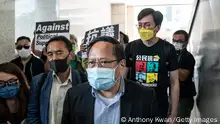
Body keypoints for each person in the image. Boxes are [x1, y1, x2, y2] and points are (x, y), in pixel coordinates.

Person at [61, 36, 159, 124]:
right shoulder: (74, 96)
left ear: (122, 65)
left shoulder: (145, 96)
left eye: (103, 61)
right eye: (91, 62)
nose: (96, 67)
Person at [123, 8, 179, 122]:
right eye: (140, 25)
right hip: (134, 103)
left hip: (159, 104)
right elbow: (122, 77)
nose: (143, 29)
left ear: (157, 28)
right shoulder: (130, 47)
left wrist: (174, 112)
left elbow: (174, 82)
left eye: (147, 25)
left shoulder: (168, 48)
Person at [27, 36, 84, 124]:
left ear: (71, 55)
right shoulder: (38, 81)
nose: (54, 58)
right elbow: (33, 113)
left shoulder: (83, 80)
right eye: (50, 54)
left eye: (59, 52)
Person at [172, 30, 196, 124]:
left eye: (180, 41)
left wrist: (170, 65)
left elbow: (183, 77)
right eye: (174, 40)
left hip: (184, 98)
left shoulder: (188, 57)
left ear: (186, 42)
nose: (176, 43)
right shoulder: (172, 55)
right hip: (171, 96)